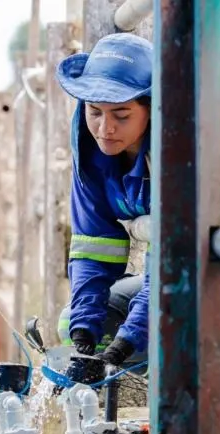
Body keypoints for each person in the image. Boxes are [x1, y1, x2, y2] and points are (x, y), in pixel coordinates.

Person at [54, 32, 154, 370]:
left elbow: (172, 269)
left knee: (150, 338)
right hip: (165, 279)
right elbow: (93, 247)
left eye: (122, 115)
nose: (105, 129)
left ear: (152, 109)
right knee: (71, 325)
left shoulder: (177, 158)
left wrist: (130, 339)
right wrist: (84, 331)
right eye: (94, 112)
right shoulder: (90, 156)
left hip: (201, 280)